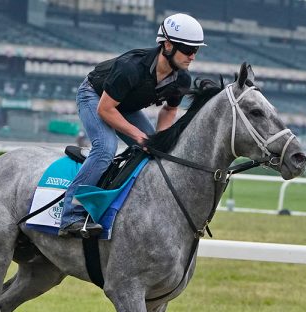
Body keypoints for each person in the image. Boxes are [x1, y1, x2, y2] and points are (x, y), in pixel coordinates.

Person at [58, 13, 206, 238]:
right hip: (95, 97)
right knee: (105, 148)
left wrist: (160, 141)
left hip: (125, 105)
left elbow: (169, 109)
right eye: (188, 49)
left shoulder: (182, 79)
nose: (193, 56)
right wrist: (138, 135)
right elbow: (105, 110)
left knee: (155, 153)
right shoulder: (131, 67)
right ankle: (71, 216)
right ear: (167, 45)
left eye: (196, 50)